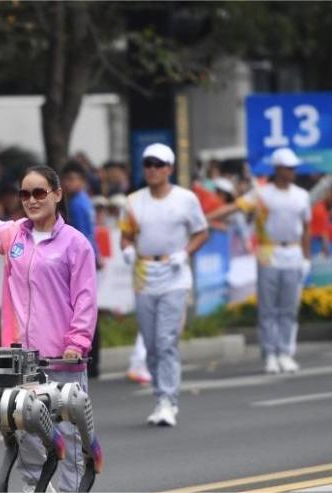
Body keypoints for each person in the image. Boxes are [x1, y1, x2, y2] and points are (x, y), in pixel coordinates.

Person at [0, 153, 96, 493]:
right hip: (20, 363)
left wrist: (76, 343)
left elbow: (85, 299)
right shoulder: (13, 236)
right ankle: (35, 488)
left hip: (61, 360)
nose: (31, 200)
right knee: (25, 433)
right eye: (25, 194)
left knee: (68, 441)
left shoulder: (75, 244)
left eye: (39, 193)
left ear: (57, 194)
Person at [119, 143, 209, 427]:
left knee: (166, 340)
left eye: (158, 164)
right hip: (145, 273)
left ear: (169, 168)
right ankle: (160, 397)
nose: (152, 169)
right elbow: (126, 236)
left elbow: (201, 232)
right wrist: (127, 250)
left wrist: (185, 254)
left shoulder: (186, 199)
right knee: (150, 342)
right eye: (148, 164)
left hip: (174, 274)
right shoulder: (133, 201)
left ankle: (168, 400)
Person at [208, 148, 312, 375]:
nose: (293, 171)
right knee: (268, 309)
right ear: (277, 169)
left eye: (294, 167)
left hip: (293, 253)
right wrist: (206, 218)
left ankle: (285, 352)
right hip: (268, 252)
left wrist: (306, 258)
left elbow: (306, 229)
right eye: (288, 168)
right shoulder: (262, 194)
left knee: (289, 308)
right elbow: (234, 207)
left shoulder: (302, 196)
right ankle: (270, 354)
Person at [61, 160, 102, 379]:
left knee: (81, 308)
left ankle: (89, 360)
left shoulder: (76, 203)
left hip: (80, 259)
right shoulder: (84, 200)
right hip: (88, 257)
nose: (69, 183)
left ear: (82, 181)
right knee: (87, 306)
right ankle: (93, 362)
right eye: (66, 179)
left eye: (72, 179)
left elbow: (82, 234)